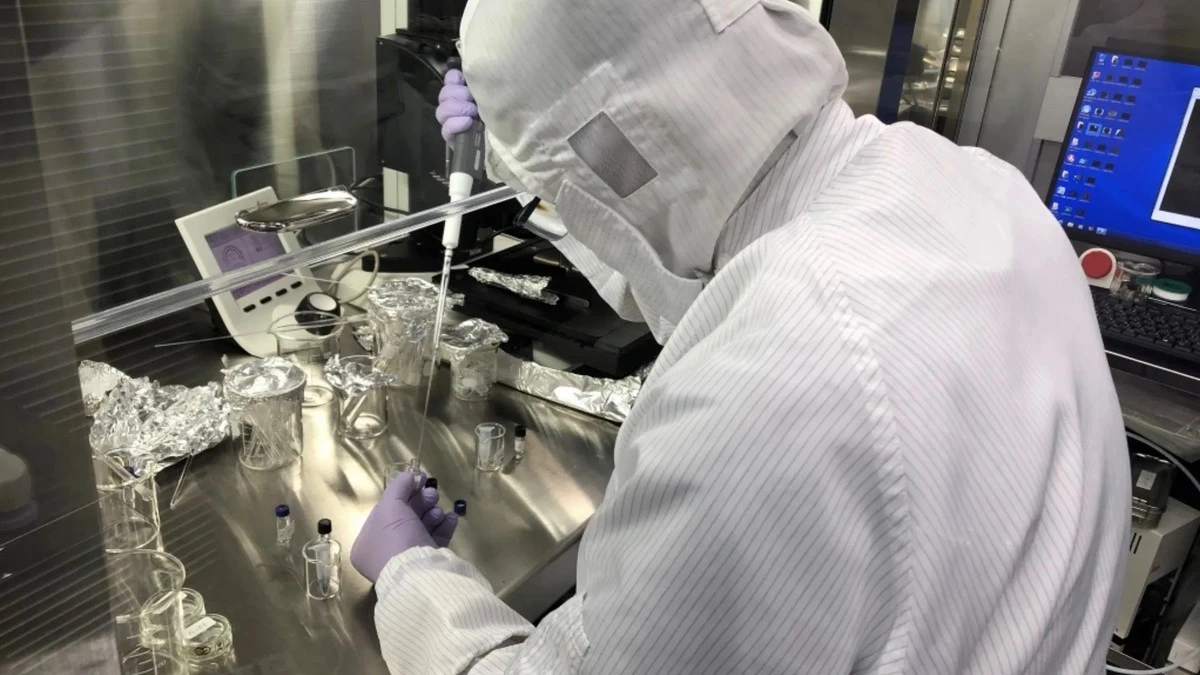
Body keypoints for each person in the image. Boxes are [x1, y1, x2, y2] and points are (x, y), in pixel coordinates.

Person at [351, 0, 1131, 672]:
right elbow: (690, 255)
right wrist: (523, 160)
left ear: (606, 155)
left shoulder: (760, 396)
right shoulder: (968, 181)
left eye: (560, 187)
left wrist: (412, 578)